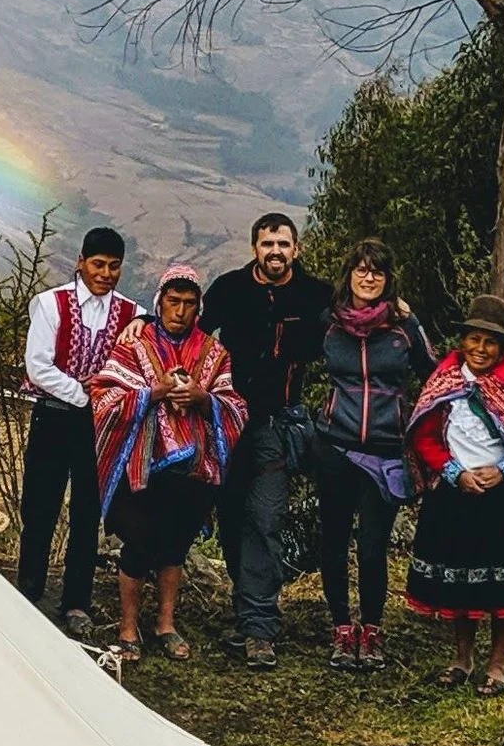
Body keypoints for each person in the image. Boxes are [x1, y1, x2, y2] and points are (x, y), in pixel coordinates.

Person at [196, 212, 331, 669]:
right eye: (267, 243)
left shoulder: (314, 295)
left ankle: (259, 629)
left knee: (266, 517)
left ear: (296, 249)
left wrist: (402, 315)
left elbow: (359, 319)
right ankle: (247, 607)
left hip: (276, 424)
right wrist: (144, 324)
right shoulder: (230, 289)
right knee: (231, 516)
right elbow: (192, 332)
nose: (276, 252)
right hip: (227, 421)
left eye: (284, 244)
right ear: (254, 247)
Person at [405, 295, 504, 697]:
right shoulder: (446, 381)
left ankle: (499, 663)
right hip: (457, 494)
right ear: (463, 341)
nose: (481, 349)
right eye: (474, 339)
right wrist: (454, 472)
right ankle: (462, 658)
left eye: (490, 342)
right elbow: (423, 435)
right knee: (461, 582)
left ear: (502, 347)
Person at [91, 264, 245, 662]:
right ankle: (128, 628)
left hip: (192, 470)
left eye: (189, 304)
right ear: (159, 303)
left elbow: (235, 407)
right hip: (141, 466)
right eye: (173, 302)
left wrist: (203, 399)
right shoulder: (134, 346)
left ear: (199, 308)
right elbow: (104, 397)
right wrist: (153, 392)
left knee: (175, 546)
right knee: (138, 544)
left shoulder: (214, 355)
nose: (180, 311)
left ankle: (166, 623)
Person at [313, 239, 435, 673]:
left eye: (377, 272)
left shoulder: (404, 325)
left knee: (371, 547)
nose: (368, 277)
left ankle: (373, 630)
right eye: (361, 270)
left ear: (389, 279)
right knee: (333, 539)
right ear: (349, 275)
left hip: (385, 450)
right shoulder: (329, 321)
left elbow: (436, 376)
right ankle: (342, 630)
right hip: (336, 445)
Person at [17, 227, 140, 633]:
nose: (105, 273)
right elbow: (38, 366)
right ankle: (29, 589)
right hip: (54, 417)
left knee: (88, 511)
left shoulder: (131, 314)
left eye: (114, 266)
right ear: (81, 262)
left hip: (100, 428)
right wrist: (84, 394)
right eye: (99, 264)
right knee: (40, 505)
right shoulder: (51, 305)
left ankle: (76, 602)